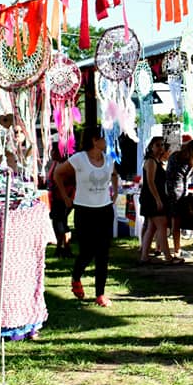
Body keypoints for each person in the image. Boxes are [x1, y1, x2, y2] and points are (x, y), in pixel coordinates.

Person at [53, 125, 120, 307]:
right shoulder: (79, 159)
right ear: (94, 140)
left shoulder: (109, 159)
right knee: (87, 251)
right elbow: (57, 174)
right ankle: (76, 277)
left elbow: (114, 174)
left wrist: (115, 191)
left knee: (103, 253)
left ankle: (100, 294)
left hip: (104, 210)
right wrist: (66, 197)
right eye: (105, 138)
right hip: (84, 210)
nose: (108, 142)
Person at [139, 136, 179, 264]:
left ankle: (144, 256)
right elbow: (150, 182)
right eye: (157, 145)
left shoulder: (157, 161)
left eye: (162, 145)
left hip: (156, 197)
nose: (160, 147)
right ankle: (168, 257)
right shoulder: (150, 161)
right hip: (152, 197)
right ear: (151, 146)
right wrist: (157, 199)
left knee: (152, 227)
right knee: (161, 225)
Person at [165, 138, 193, 261]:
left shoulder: (175, 155)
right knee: (177, 222)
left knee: (169, 221)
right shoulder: (192, 160)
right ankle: (177, 250)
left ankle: (164, 247)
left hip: (168, 190)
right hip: (180, 193)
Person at [46, 144, 74, 257]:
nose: (52, 154)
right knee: (57, 223)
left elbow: (72, 182)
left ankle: (65, 247)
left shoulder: (67, 165)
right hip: (55, 198)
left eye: (54, 152)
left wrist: (69, 197)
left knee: (61, 223)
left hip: (65, 198)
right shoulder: (55, 163)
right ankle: (61, 247)